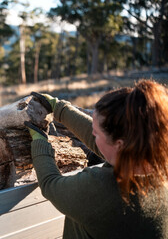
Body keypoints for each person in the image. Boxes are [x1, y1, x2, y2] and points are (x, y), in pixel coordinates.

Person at [25, 79, 168, 238]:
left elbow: (50, 184)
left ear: (119, 145)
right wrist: (59, 108)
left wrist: (39, 140)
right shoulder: (156, 166)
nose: (93, 134)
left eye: (97, 133)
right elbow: (101, 142)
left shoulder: (102, 188)